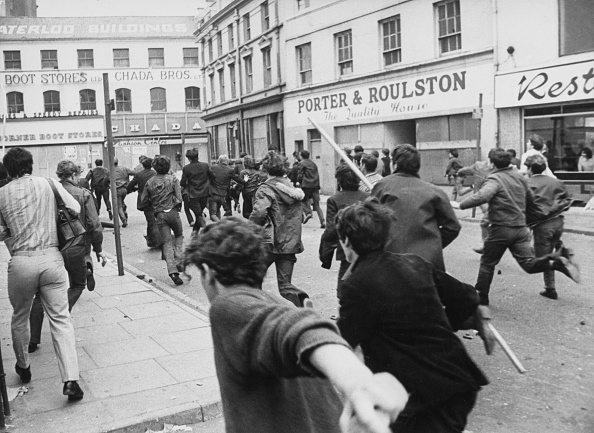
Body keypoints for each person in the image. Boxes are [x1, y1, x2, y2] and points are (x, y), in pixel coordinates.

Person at [182, 217, 409, 433]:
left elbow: (295, 329)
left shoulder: (227, 306)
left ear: (208, 273)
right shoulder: (278, 303)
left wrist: (357, 380)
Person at [335, 199, 489, 433]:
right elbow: (467, 296)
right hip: (457, 379)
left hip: (420, 397)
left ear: (346, 241)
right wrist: (445, 326)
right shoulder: (414, 262)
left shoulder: (356, 284)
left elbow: (344, 342)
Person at [0, 147, 84, 400]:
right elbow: (75, 209)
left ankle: (23, 366)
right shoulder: (47, 183)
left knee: (19, 317)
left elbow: (2, 232)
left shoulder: (1, 194)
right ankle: (70, 380)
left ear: (8, 169)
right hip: (52, 258)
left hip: (22, 261)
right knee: (61, 319)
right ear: (30, 164)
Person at [456, 149, 579, 306]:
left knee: (488, 262)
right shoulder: (520, 178)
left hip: (501, 228)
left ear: (492, 163)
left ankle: (481, 296)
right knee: (528, 264)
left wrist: (461, 205)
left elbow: (483, 196)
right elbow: (531, 202)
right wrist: (537, 217)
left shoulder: (495, 178)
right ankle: (556, 263)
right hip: (520, 229)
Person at [29, 160, 107, 353]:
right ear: (73, 175)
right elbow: (94, 225)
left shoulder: (46, 194)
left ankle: (33, 339)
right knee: (77, 285)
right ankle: (62, 316)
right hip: (76, 246)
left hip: (50, 247)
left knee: (41, 293)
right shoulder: (83, 194)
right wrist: (98, 249)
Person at [372, 144, 460, 271]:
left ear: (395, 164)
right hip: (427, 262)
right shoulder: (434, 191)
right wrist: (432, 245)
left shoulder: (382, 186)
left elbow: (370, 223)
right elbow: (453, 227)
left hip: (390, 260)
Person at [249, 151, 312, 308]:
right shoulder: (292, 188)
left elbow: (259, 213)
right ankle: (302, 302)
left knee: (253, 279)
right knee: (285, 286)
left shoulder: (266, 189)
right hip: (290, 242)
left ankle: (257, 310)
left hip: (269, 243)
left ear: (265, 168)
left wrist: (249, 229)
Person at [525, 154, 574, 300]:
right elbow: (568, 199)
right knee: (550, 246)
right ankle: (561, 251)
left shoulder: (527, 183)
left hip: (541, 227)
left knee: (543, 259)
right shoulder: (556, 182)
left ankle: (551, 287)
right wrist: (556, 208)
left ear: (530, 169)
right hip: (558, 223)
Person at [319, 164, 369, 299]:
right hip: (368, 248)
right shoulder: (368, 197)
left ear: (339, 180)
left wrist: (325, 249)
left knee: (344, 291)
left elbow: (331, 230)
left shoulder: (334, 200)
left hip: (347, 251)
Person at [141, 156, 184, 286]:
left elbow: (144, 200)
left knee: (166, 242)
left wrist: (154, 206)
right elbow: (179, 198)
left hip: (159, 215)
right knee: (179, 235)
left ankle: (172, 270)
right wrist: (175, 205)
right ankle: (179, 260)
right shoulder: (173, 180)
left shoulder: (150, 182)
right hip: (173, 212)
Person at [457, 150, 496, 254]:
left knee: (487, 222)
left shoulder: (479, 166)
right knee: (486, 221)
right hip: (487, 198)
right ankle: (488, 246)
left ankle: (488, 245)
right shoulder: (495, 168)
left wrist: (459, 173)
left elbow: (464, 170)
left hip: (485, 198)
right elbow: (465, 170)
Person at [127, 157, 162, 248]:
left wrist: (133, 190)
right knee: (154, 221)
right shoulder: (155, 174)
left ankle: (159, 243)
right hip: (157, 199)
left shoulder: (139, 175)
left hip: (145, 201)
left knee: (151, 221)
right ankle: (151, 240)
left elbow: (130, 186)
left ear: (143, 165)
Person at [180, 148, 214, 232]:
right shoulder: (205, 165)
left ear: (189, 158)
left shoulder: (186, 168)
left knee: (198, 214)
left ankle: (201, 232)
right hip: (205, 193)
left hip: (193, 194)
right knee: (199, 213)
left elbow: (182, 183)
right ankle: (195, 232)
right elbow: (213, 176)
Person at [208, 154, 244, 221]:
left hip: (212, 193)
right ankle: (218, 227)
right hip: (222, 194)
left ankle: (219, 224)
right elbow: (238, 179)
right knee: (217, 210)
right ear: (227, 161)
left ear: (219, 160)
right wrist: (245, 181)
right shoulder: (229, 170)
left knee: (213, 214)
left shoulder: (213, 167)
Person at [297, 150, 325, 228]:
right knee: (317, 205)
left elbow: (300, 175)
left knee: (302, 200)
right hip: (315, 186)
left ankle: (308, 212)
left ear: (301, 156)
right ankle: (322, 221)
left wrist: (298, 182)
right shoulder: (314, 164)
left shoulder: (301, 163)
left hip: (306, 185)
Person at [113, 158, 135, 227]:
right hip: (125, 189)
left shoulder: (111, 170)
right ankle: (124, 209)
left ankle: (123, 220)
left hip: (116, 189)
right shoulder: (124, 168)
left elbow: (106, 180)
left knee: (118, 206)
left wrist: (107, 186)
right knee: (121, 202)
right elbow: (134, 173)